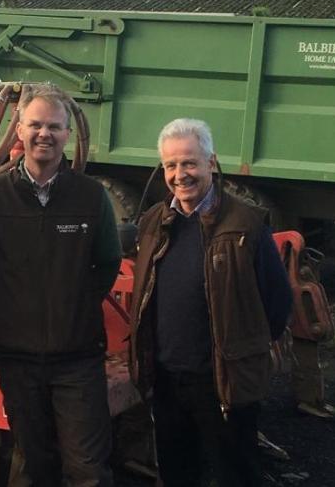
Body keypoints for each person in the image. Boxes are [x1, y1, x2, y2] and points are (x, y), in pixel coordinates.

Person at [0, 83, 122, 486]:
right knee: (32, 463)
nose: (44, 134)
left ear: (67, 135)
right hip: (17, 358)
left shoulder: (90, 197)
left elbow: (108, 261)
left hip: (77, 358)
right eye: (35, 125)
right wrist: (11, 305)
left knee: (87, 467)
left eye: (54, 126)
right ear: (19, 130)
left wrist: (77, 304)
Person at [129, 118, 292, 487]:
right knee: (176, 472)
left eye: (189, 162)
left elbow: (277, 302)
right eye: (170, 165)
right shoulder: (154, 222)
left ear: (211, 163)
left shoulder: (245, 224)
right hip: (168, 378)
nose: (179, 174)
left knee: (235, 473)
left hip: (223, 381)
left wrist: (244, 355)